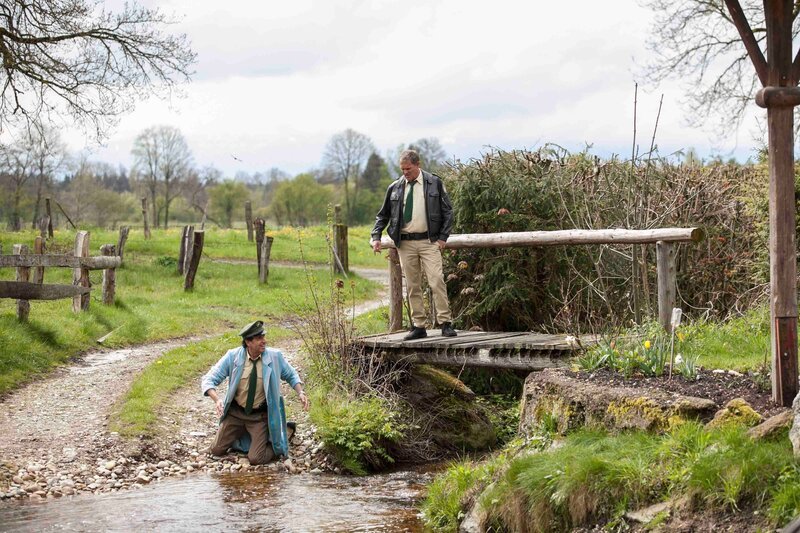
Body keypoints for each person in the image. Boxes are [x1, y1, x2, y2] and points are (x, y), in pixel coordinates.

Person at [371, 149, 457, 341]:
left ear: (418, 165)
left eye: (408, 168)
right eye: (402, 169)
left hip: (429, 241)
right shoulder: (395, 187)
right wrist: (376, 236)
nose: (405, 173)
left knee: (436, 280)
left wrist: (443, 237)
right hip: (405, 243)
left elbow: (448, 212)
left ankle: (445, 322)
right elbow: (382, 215)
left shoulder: (434, 183)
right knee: (412, 285)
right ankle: (419, 325)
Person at [201, 320, 309, 464]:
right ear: (248, 342)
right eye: (259, 339)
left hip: (259, 417)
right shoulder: (232, 356)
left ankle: (285, 433)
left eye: (264, 337)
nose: (264, 341)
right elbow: (209, 379)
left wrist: (300, 392)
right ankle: (241, 437)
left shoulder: (275, 357)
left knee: (256, 458)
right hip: (235, 414)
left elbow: (291, 375)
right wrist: (217, 399)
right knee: (216, 450)